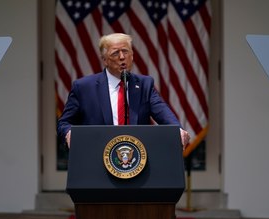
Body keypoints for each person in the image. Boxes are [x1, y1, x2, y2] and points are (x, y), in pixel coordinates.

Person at [57, 33, 190, 148]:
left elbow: (163, 113)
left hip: (136, 160)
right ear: (104, 60)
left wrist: (177, 130)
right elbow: (64, 123)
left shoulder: (144, 85)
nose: (122, 57)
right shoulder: (84, 87)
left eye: (125, 51)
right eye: (115, 53)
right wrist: (69, 133)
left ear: (132, 55)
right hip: (97, 158)